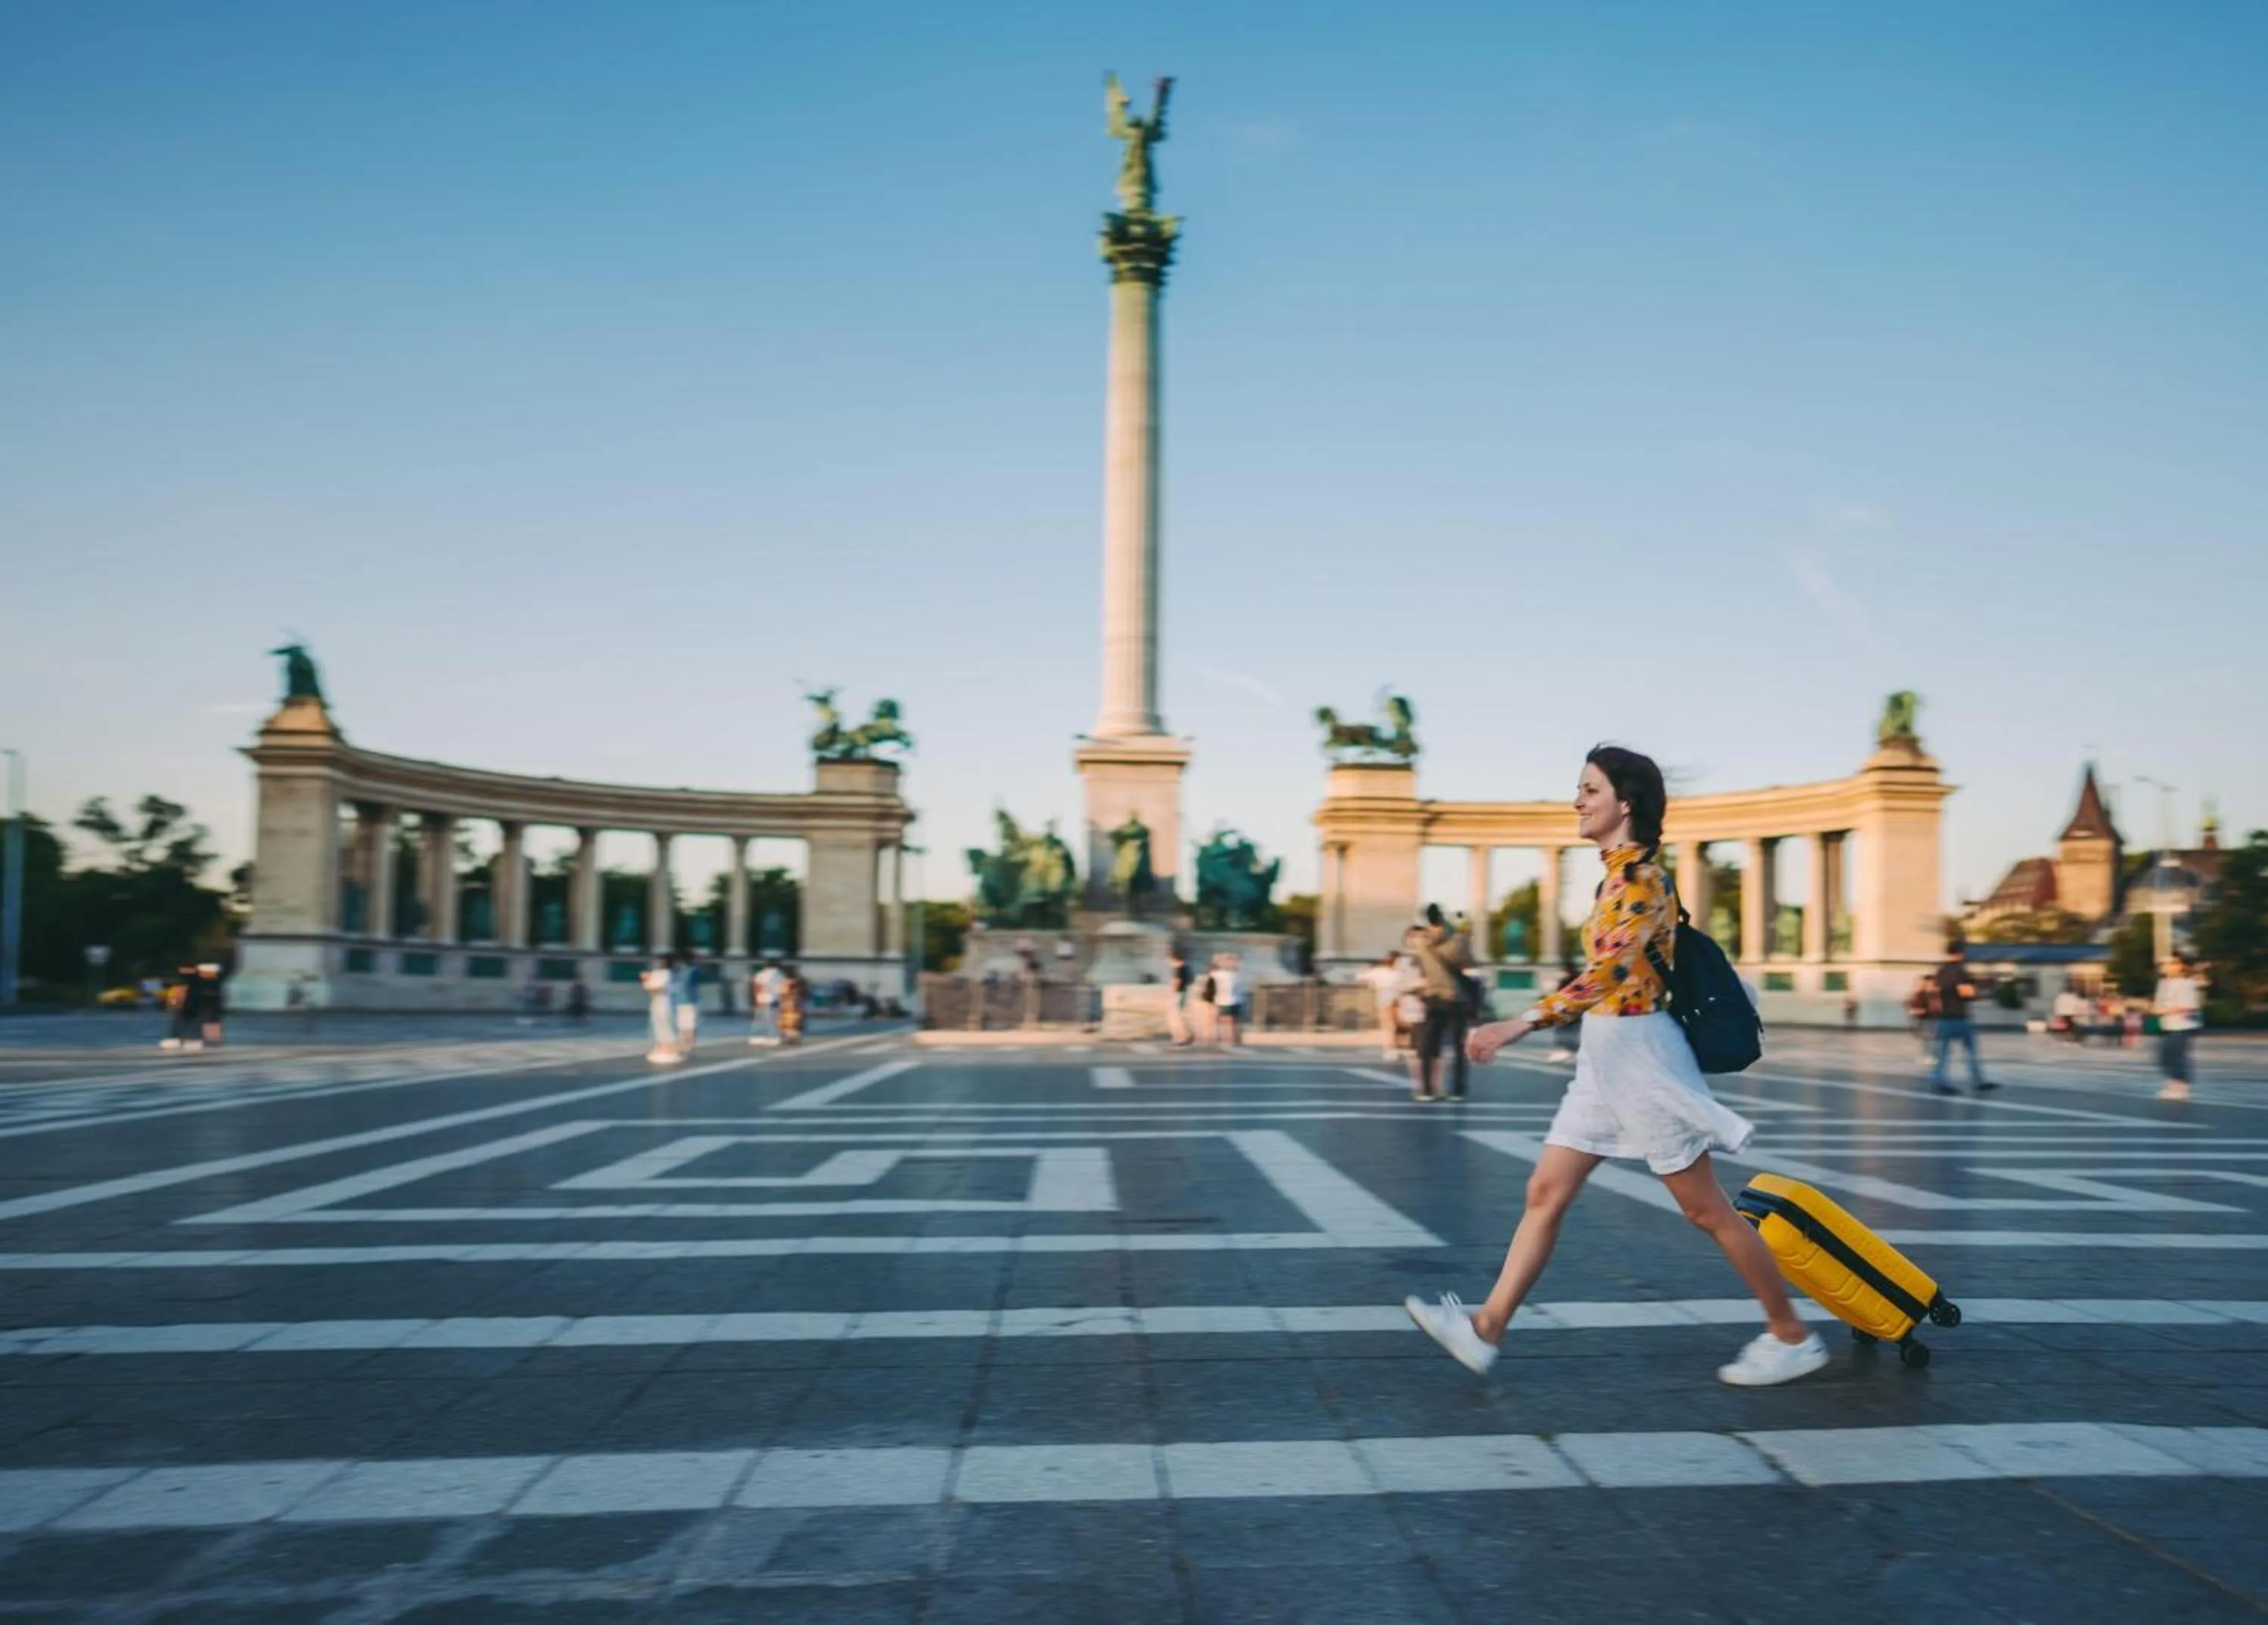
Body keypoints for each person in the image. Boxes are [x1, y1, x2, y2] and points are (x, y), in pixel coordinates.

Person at [1403, 744, 1829, 1389]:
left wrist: (1521, 1021)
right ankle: (1485, 1328)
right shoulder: (1616, 876)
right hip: (1604, 1054)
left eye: (1590, 789)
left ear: (1625, 803)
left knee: (1707, 1210)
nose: (1577, 800)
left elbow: (1611, 972)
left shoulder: (1640, 880)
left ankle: (1791, 1335)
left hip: (1639, 1054)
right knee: (1545, 1192)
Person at [1406, 909, 1475, 1101]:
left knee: (1428, 1045)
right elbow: (1467, 963)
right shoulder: (1458, 940)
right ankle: (1458, 1090)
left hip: (1433, 995)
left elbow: (1418, 966)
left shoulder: (1421, 942)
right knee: (1458, 1046)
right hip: (1455, 996)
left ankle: (1428, 1090)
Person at [1929, 940, 1995, 1096]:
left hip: (1944, 1017)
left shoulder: (1941, 971)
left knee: (1942, 1053)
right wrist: (1977, 991)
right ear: (1960, 953)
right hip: (1960, 1016)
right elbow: (1966, 992)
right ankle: (1978, 1081)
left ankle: (1940, 1081)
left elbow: (1934, 993)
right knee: (1971, 1052)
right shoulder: (1960, 971)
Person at [2153, 955, 2203, 1101]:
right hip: (2168, 1025)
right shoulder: (2164, 983)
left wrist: (2165, 1010)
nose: (2165, 966)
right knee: (2164, 1056)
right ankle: (2173, 1082)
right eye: (2164, 964)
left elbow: (2189, 1007)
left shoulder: (2186, 984)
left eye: (2171, 963)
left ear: (2181, 966)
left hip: (2183, 1025)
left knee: (2177, 1056)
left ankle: (2181, 1087)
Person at [1357, 949, 1414, 1060]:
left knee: (1390, 1025)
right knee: (1398, 1024)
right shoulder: (1400, 973)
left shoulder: (1379, 971)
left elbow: (1361, 976)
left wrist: (1367, 970)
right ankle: (1399, 1047)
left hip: (1387, 995)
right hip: (1398, 995)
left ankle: (1392, 1048)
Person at [641, 953, 680, 1063]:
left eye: (661, 961)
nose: (658, 963)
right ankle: (661, 1047)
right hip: (656, 1001)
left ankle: (671, 1049)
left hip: (665, 1000)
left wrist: (648, 982)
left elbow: (659, 987)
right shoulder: (655, 973)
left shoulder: (668, 973)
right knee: (657, 1023)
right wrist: (647, 981)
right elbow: (648, 987)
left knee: (666, 1024)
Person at [1210, 953, 1244, 1048]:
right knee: (1234, 1021)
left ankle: (1227, 1039)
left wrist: (1216, 960)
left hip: (1223, 1000)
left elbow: (1211, 971)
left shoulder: (1218, 975)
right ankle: (1235, 1039)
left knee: (1225, 1021)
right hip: (1238, 1000)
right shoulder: (1236, 974)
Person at [672, 952, 702, 1054]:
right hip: (690, 1000)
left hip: (681, 1000)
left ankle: (684, 1044)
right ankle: (688, 1045)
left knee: (682, 1024)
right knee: (689, 1024)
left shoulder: (678, 971)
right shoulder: (693, 970)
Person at [748, 960, 782, 1045]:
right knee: (773, 1019)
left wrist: (756, 999)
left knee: (759, 1019)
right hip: (775, 999)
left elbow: (758, 987)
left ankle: (757, 1037)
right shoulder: (779, 974)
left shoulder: (761, 974)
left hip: (763, 999)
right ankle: (773, 1037)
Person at [1165, 947, 1195, 1047]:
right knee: (1180, 1015)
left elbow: (1176, 982)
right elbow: (1191, 981)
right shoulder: (1187, 968)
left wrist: (1171, 992)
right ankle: (1185, 1035)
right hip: (1184, 993)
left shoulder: (1178, 969)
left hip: (1178, 994)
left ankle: (1181, 1036)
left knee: (1175, 1016)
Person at [1905, 973, 1938, 1063]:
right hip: (1923, 1018)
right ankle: (1927, 1055)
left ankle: (1931, 1056)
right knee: (1925, 1038)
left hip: (1931, 1018)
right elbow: (1911, 1003)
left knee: (1930, 1038)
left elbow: (1936, 1008)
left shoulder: (1935, 994)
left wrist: (1924, 1011)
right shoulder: (1921, 994)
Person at [778, 963, 808, 1045]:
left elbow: (782, 993)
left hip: (789, 1004)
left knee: (790, 1021)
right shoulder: (800, 981)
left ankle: (791, 1037)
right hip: (793, 1004)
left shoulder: (786, 982)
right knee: (793, 1021)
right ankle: (793, 1037)